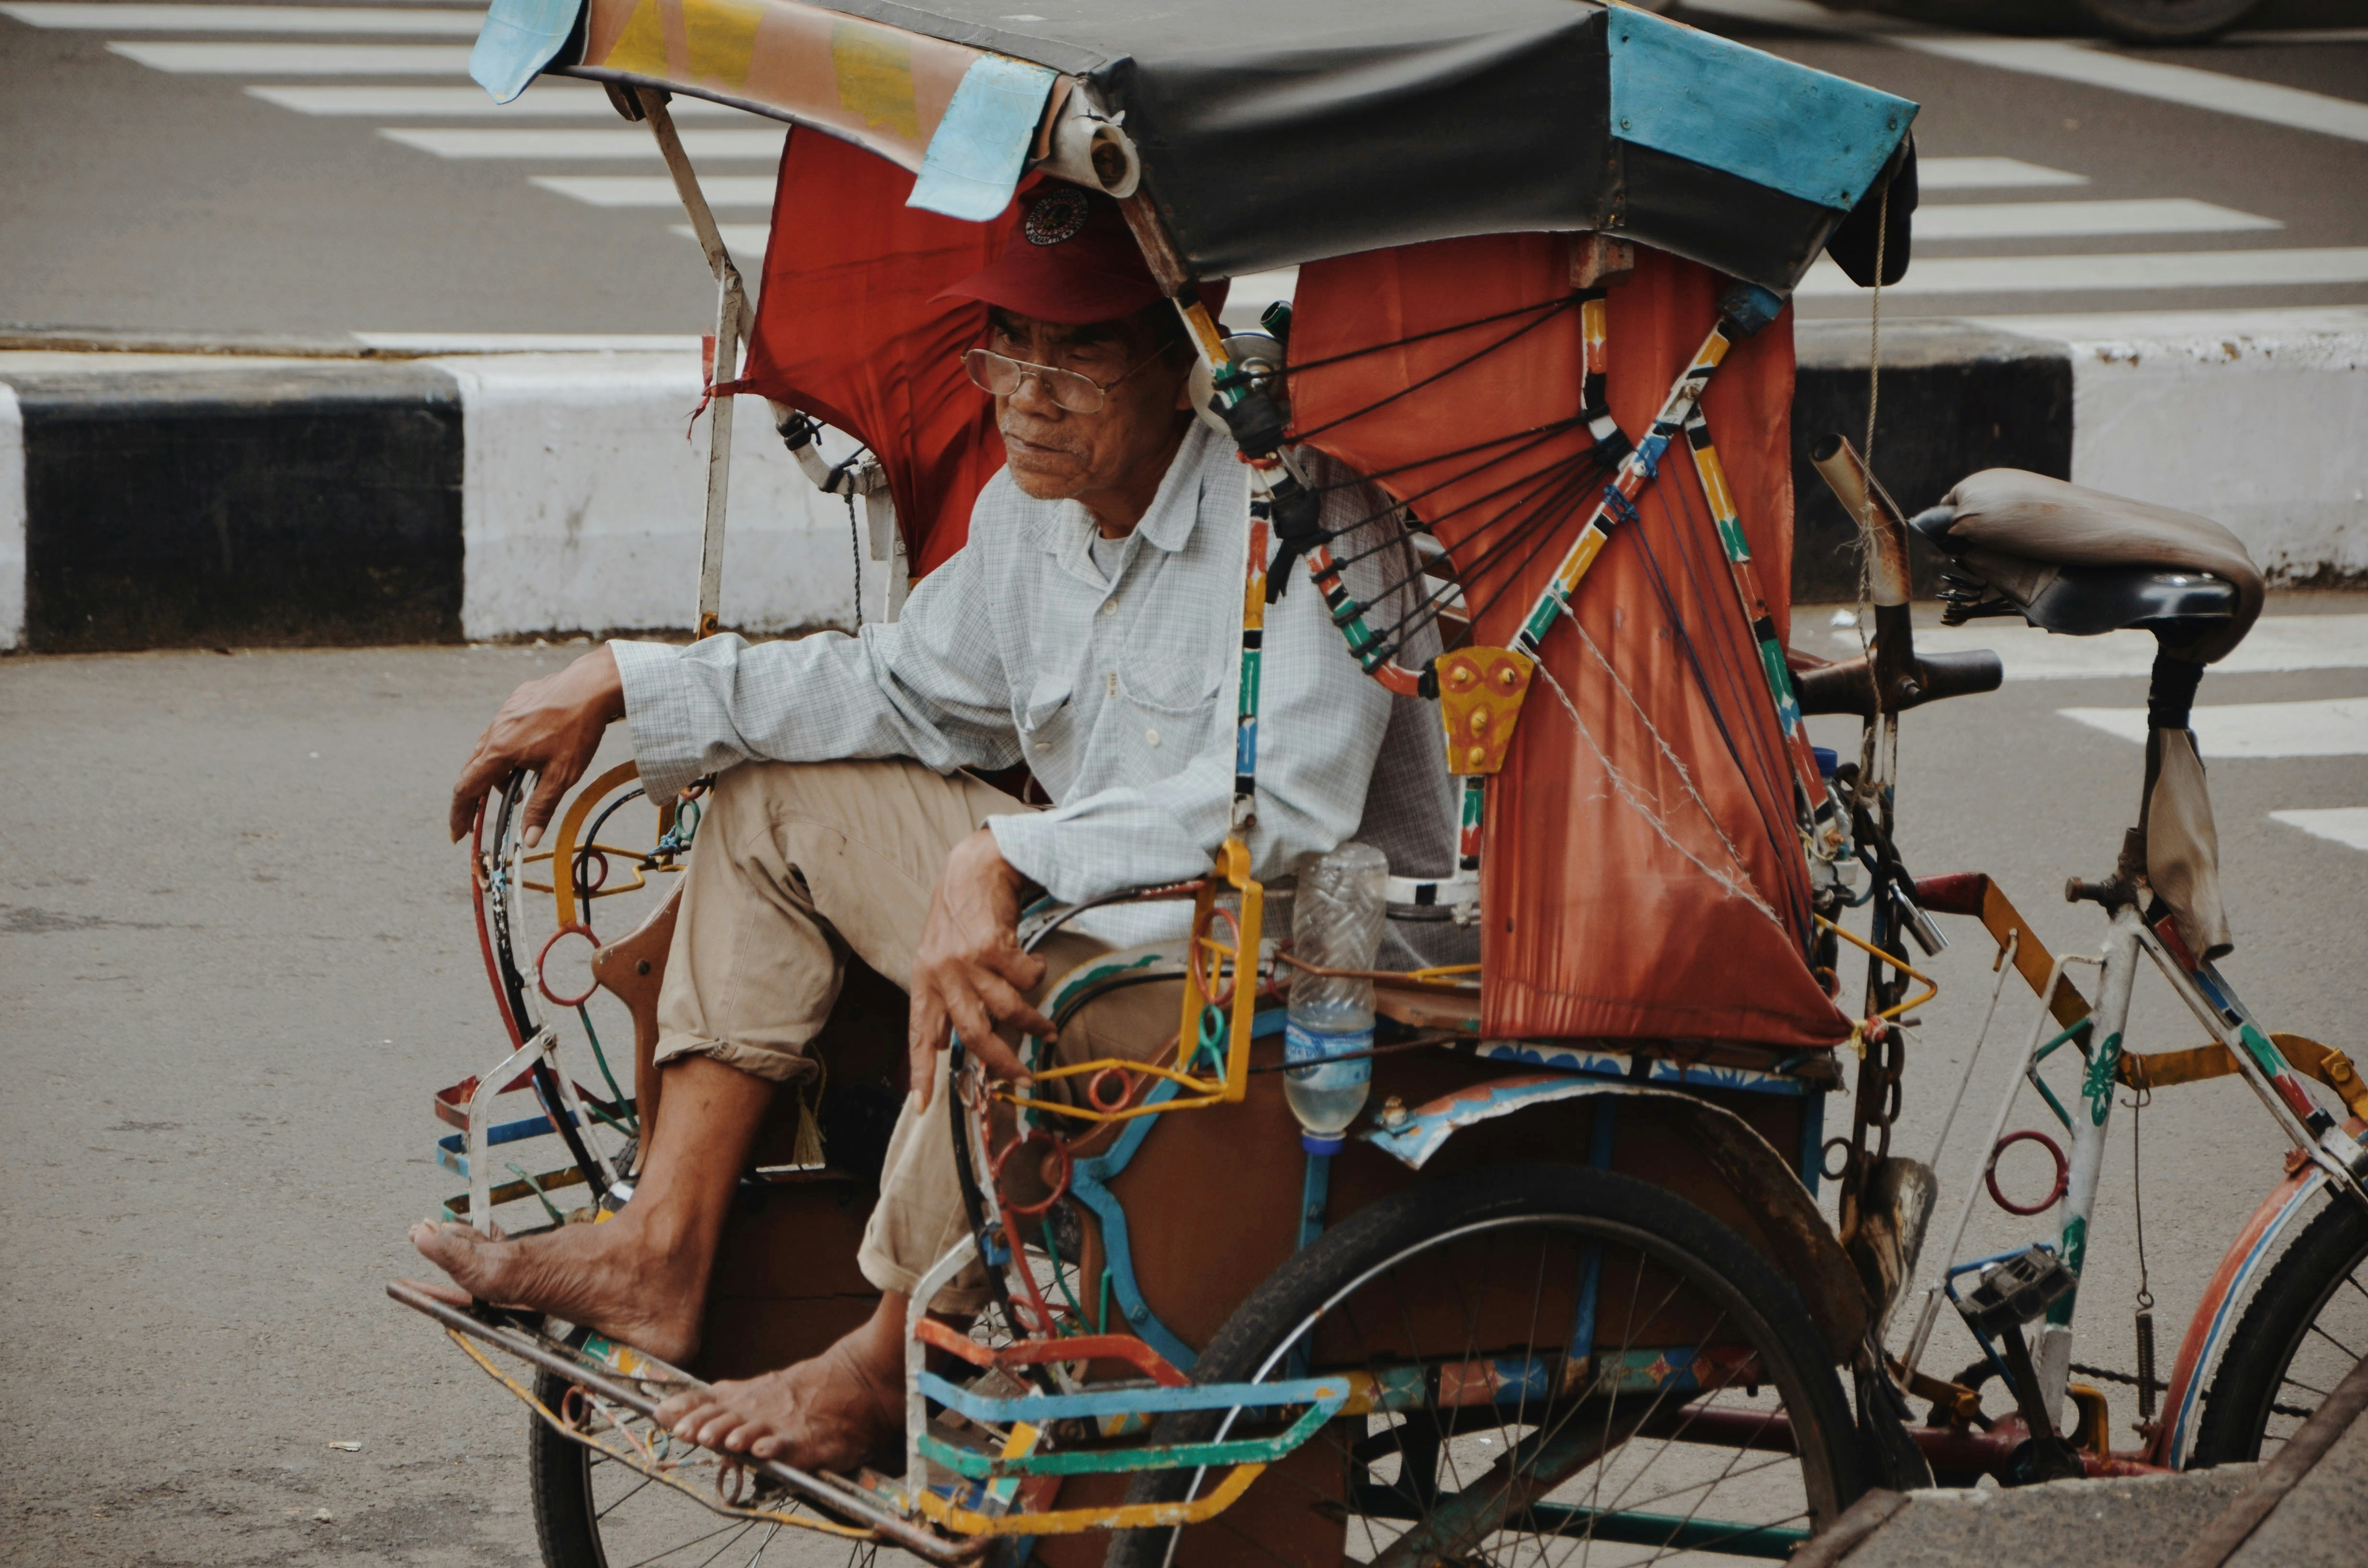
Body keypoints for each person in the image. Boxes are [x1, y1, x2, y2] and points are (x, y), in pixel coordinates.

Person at [408, 184, 1460, 1471]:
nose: (1026, 393)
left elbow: (1287, 808)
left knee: (1007, 978)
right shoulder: (1033, 511)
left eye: (1075, 353)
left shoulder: (1308, 515)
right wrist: (627, 678)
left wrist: (1006, 860)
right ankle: (659, 1247)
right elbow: (899, 686)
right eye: (1006, 346)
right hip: (1097, 912)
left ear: (1183, 345)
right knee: (771, 806)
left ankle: (884, 1356)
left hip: (1295, 963)